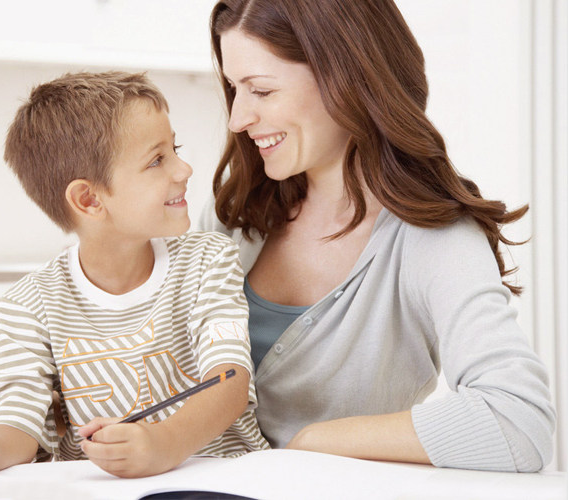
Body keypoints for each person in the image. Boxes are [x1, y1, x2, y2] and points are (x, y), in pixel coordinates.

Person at [197, 0, 555, 472]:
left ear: (345, 77)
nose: (238, 118)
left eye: (261, 90)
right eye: (233, 88)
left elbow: (518, 422)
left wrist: (312, 442)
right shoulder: (234, 210)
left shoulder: (433, 239)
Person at [0, 71, 269, 480]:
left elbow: (229, 379)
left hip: (229, 479)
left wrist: (164, 443)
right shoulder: (27, 306)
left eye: (175, 149)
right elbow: (17, 425)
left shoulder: (209, 260)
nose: (184, 169)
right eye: (157, 160)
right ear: (88, 199)